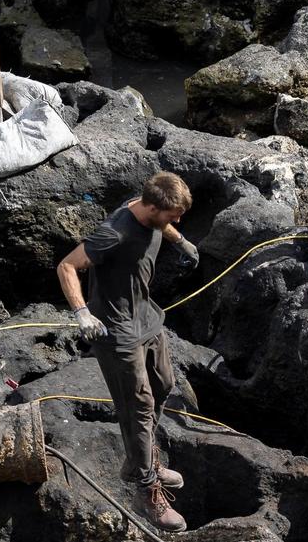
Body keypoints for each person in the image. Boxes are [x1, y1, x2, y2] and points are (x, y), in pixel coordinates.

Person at [56, 171, 200, 533]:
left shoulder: (149, 210)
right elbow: (67, 266)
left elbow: (163, 226)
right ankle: (145, 489)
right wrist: (82, 313)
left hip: (146, 318)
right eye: (173, 216)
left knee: (164, 386)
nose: (177, 221)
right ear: (151, 208)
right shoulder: (114, 232)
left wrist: (181, 241)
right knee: (139, 406)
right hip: (117, 331)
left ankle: (143, 460)